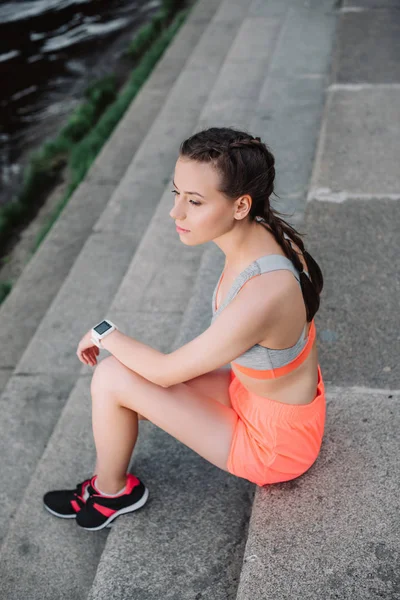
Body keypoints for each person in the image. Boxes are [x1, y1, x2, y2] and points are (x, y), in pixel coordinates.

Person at [43, 126, 325, 531]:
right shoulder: (263, 234)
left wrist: (105, 333)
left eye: (194, 201)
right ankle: (111, 480)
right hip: (259, 396)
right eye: (176, 193)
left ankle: (112, 492)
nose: (176, 212)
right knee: (124, 381)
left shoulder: (262, 294)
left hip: (274, 446)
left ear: (241, 205)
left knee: (111, 377)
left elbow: (165, 371)